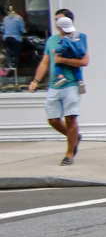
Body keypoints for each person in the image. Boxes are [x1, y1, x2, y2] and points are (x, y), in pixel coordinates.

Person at [28, 9, 88, 166]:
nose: (57, 23)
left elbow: (84, 62)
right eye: (55, 20)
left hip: (71, 83)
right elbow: (45, 62)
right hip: (54, 85)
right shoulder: (52, 40)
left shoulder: (78, 37)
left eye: (59, 20)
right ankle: (74, 137)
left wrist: (62, 61)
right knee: (53, 119)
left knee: (70, 118)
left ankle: (69, 154)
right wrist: (35, 80)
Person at [2, 6, 24, 79]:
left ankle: (10, 68)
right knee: (15, 56)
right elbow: (22, 29)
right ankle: (15, 69)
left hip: (7, 39)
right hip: (16, 39)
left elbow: (2, 29)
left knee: (9, 56)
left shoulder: (5, 19)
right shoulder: (19, 18)